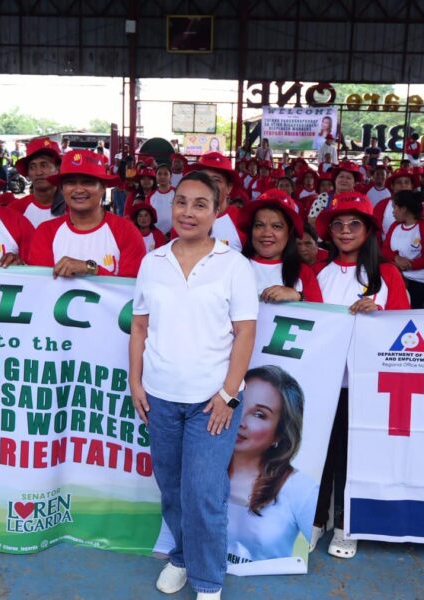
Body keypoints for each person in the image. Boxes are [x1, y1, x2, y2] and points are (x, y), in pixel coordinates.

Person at [129, 170, 258, 599]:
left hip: (211, 403)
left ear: (217, 212)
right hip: (160, 398)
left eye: (200, 204)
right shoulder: (154, 261)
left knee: (203, 493)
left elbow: (245, 334)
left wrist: (228, 395)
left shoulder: (235, 266)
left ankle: (207, 581)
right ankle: (181, 556)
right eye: (181, 201)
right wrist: (136, 382)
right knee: (171, 487)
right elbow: (139, 328)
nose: (188, 212)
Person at [312, 192, 409, 559]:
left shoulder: (387, 274)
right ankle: (317, 519)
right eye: (338, 224)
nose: (345, 231)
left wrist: (379, 312)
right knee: (320, 453)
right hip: (324, 380)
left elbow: (405, 327)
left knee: (353, 457)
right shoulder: (319, 271)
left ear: (368, 230)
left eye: (355, 224)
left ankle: (346, 523)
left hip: (368, 384)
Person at [226, 365, 316, 563]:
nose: (240, 421)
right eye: (237, 405)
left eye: (259, 414)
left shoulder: (301, 489)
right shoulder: (199, 469)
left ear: (280, 433)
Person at [26, 150, 145, 277]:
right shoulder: (46, 232)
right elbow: (39, 285)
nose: (78, 190)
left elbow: (133, 288)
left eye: (88, 182)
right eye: (70, 182)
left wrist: (91, 268)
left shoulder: (126, 231)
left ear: (103, 187)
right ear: (61, 188)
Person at [238, 189, 322, 303]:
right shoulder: (234, 266)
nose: (267, 233)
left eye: (276, 226)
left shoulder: (303, 272)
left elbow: (320, 315)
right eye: (259, 225)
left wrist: (298, 296)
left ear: (289, 232)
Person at [381, 190, 424, 308]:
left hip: (419, 281)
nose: (393, 212)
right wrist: (396, 258)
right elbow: (385, 249)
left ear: (404, 209)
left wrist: (410, 265)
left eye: (395, 208)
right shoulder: (394, 226)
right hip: (397, 277)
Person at [187, 152, 247, 251]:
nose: (208, 184)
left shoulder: (243, 222)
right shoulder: (185, 219)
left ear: (229, 188)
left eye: (216, 180)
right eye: (203, 179)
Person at [11, 137, 66, 227]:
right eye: (32, 167)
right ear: (28, 173)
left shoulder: (73, 209)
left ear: (58, 169)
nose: (39, 172)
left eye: (44, 165)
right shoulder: (15, 209)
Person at [373, 168, 420, 240]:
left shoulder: (419, 206)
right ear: (392, 186)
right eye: (399, 182)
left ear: (412, 186)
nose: (403, 185)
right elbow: (375, 233)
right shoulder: (381, 205)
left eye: (407, 182)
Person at [148, 164, 175, 236]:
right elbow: (148, 216)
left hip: (173, 235)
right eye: (159, 174)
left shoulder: (177, 193)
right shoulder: (150, 196)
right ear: (155, 176)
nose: (162, 177)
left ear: (170, 176)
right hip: (155, 235)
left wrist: (170, 234)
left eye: (166, 174)